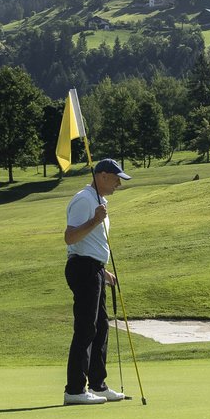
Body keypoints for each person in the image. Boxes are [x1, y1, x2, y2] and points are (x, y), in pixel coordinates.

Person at [60, 159, 132, 404]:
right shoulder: (84, 200)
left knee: (101, 327)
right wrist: (94, 220)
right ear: (101, 175)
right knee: (86, 327)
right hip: (82, 268)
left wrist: (103, 270)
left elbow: (91, 243)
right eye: (116, 178)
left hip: (95, 269)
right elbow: (70, 238)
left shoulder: (100, 201)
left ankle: (98, 385)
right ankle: (75, 390)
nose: (119, 184)